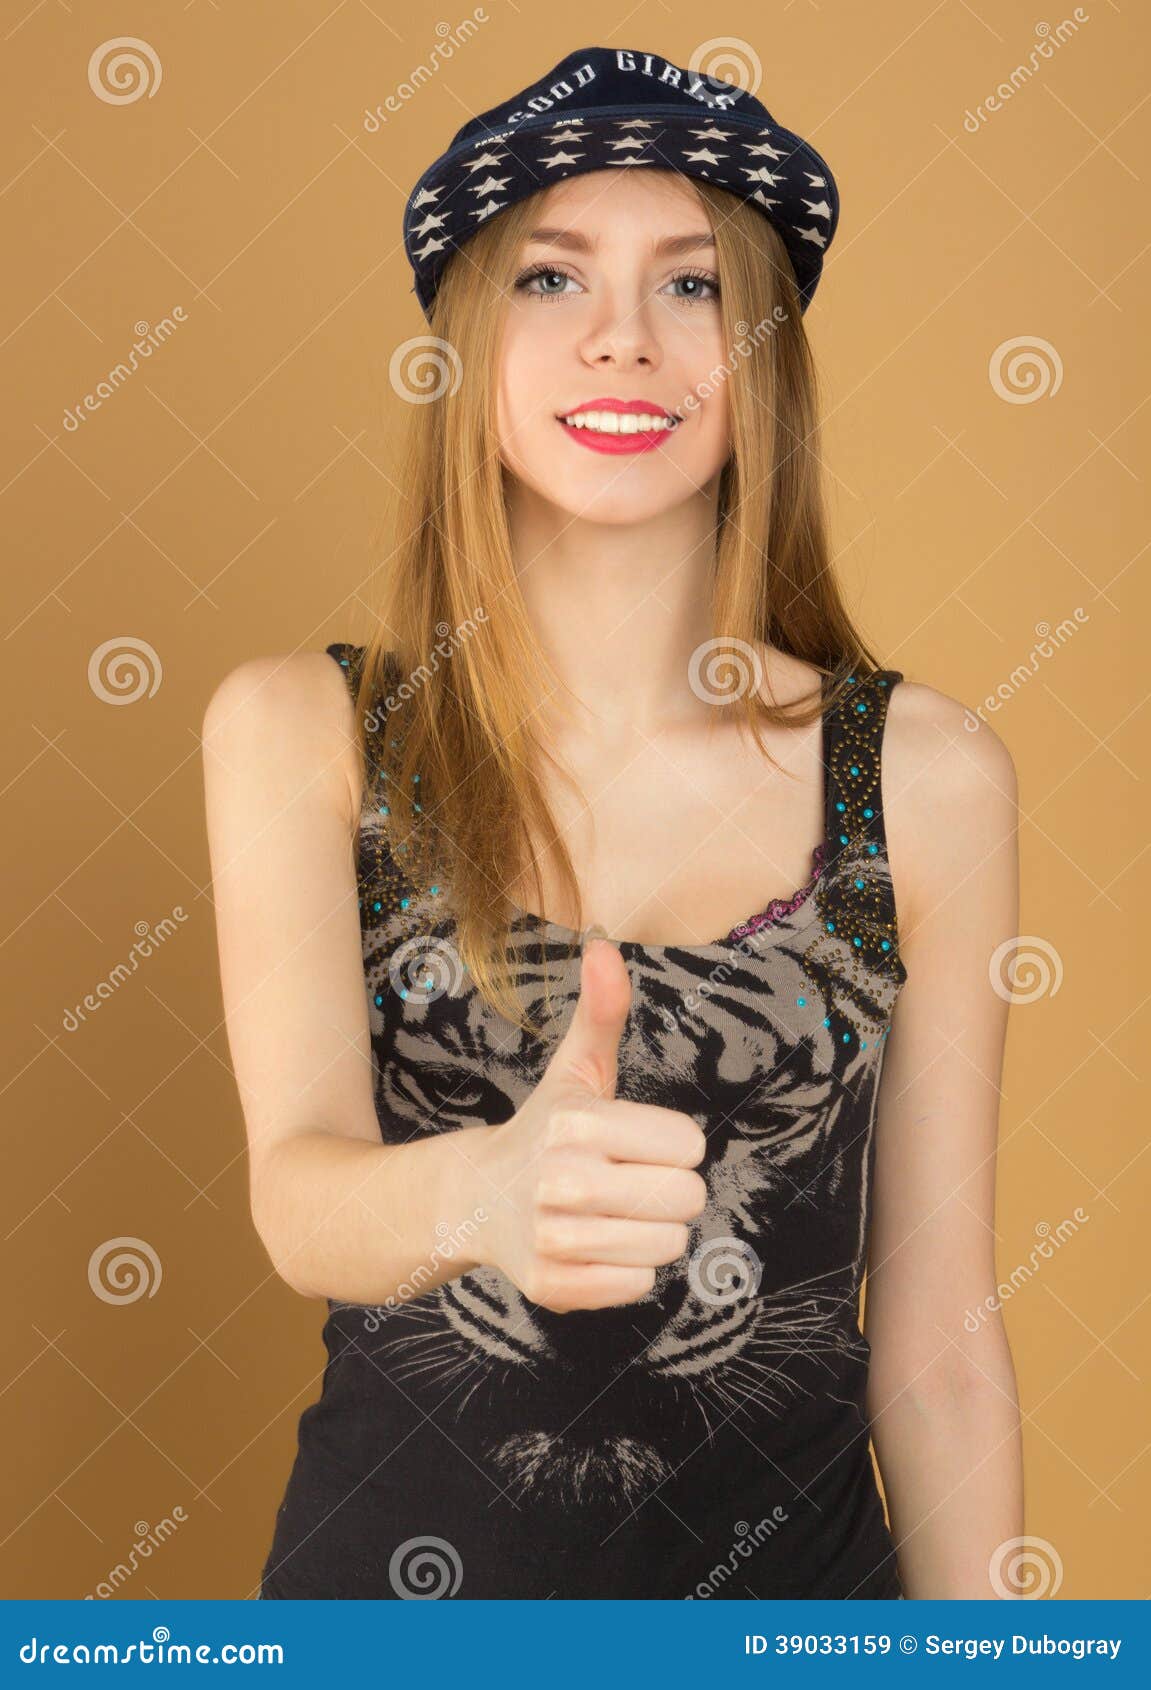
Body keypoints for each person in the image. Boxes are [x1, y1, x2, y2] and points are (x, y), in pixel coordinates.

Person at [203, 46, 1023, 1600]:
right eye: (554, 279)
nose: (626, 343)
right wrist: (480, 1192)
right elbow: (296, 1188)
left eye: (695, 287)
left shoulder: (927, 775)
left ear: (763, 345)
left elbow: (942, 1347)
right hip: (394, 1617)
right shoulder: (299, 731)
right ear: (464, 343)